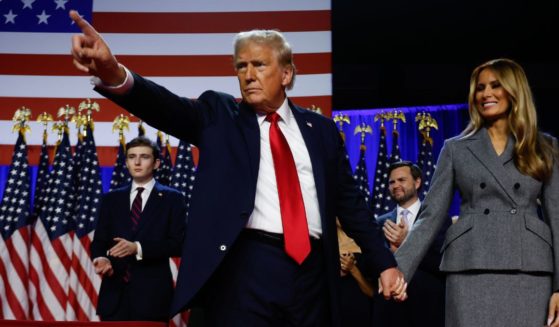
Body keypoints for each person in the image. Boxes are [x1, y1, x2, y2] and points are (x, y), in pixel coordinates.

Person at [69, 10, 406, 327]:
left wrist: (386, 264)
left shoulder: (321, 130)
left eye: (259, 64)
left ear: (286, 73)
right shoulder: (219, 115)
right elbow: (164, 106)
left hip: (314, 273)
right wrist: (113, 71)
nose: (248, 74)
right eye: (241, 66)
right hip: (245, 268)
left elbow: (351, 206)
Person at [393, 58, 559, 326]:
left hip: (530, 270)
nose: (486, 94)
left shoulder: (546, 147)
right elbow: (430, 216)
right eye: (480, 88)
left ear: (514, 90)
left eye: (495, 85)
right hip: (470, 266)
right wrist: (398, 270)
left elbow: (558, 219)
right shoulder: (455, 148)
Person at [91, 136, 187, 322]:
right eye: (131, 157)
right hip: (114, 298)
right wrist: (101, 258)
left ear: (156, 163)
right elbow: (100, 241)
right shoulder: (111, 199)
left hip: (152, 299)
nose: (137, 162)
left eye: (144, 157)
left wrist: (138, 248)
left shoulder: (172, 199)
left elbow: (179, 244)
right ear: (126, 162)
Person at [374, 160, 449, 327]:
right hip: (390, 311)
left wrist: (406, 243)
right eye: (392, 182)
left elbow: (443, 262)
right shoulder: (380, 223)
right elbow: (371, 266)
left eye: (401, 180)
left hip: (428, 309)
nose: (395, 185)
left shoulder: (438, 219)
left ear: (417, 182)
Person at [336, 219, 374, 327]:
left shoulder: (368, 245)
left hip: (362, 314)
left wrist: (353, 269)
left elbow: (373, 293)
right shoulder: (319, 245)